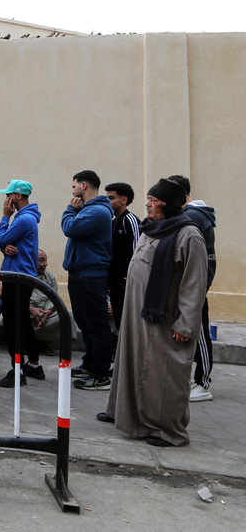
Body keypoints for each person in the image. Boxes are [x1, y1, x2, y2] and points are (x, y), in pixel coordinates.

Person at [100, 178, 207, 447]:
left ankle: (168, 431)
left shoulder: (189, 235)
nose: (147, 204)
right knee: (131, 364)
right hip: (137, 315)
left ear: (169, 205)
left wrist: (186, 324)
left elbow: (194, 284)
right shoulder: (151, 228)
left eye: (154, 200)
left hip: (165, 319)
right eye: (148, 199)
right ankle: (124, 414)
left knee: (163, 374)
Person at [62, 170, 114, 391]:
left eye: (74, 186)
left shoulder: (98, 211)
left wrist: (69, 210)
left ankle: (100, 375)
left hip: (90, 277)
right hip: (81, 275)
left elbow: (70, 228)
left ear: (83, 185)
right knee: (85, 324)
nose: (73, 190)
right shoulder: (89, 209)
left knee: (97, 327)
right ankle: (89, 364)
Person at [169, 175, 217, 402]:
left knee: (198, 333)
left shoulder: (193, 216)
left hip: (194, 286)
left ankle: (203, 383)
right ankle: (195, 380)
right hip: (190, 284)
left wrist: (200, 288)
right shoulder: (190, 214)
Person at [0, 179, 44, 387]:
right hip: (20, 277)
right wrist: (5, 247)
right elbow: (7, 243)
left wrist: (5, 217)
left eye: (9, 195)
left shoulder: (23, 219)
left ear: (18, 195)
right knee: (22, 320)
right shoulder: (26, 217)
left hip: (16, 278)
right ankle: (34, 365)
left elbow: (1, 238)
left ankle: (17, 371)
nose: (7, 199)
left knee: (13, 324)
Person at [104, 182, 140, 334]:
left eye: (111, 198)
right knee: (120, 324)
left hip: (128, 285)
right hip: (114, 286)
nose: (107, 202)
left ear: (123, 200)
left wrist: (128, 280)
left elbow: (138, 252)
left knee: (131, 325)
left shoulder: (130, 220)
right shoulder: (112, 223)